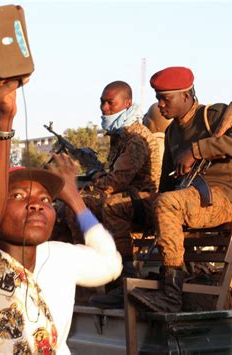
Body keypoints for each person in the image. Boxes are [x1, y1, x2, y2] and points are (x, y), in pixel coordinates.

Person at [0, 54, 122, 354]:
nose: (36, 205)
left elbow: (111, 264)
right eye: (19, 196)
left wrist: (74, 198)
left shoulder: (60, 258)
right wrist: (2, 120)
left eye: (46, 200)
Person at [129, 66, 232, 312]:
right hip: (186, 198)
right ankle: (120, 281)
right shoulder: (171, 132)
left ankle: (171, 294)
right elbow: (166, 187)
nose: (160, 106)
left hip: (222, 198)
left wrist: (197, 150)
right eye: (158, 99)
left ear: (186, 96)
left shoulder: (214, 115)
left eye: (165, 99)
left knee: (168, 203)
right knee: (119, 208)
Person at [65, 81, 161, 276]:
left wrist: (87, 186)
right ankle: (85, 270)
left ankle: (124, 274)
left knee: (92, 205)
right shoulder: (120, 135)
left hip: (142, 201)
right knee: (68, 208)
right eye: (102, 102)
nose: (104, 108)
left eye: (110, 103)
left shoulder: (136, 139)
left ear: (127, 103)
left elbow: (116, 181)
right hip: (128, 196)